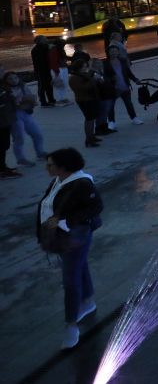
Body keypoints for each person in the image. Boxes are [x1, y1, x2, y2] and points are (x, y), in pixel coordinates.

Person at [36, 148, 104, 349]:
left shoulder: (82, 184)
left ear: (63, 167)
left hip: (74, 237)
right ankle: (88, 302)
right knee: (79, 267)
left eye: (50, 164)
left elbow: (95, 207)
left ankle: (71, 324)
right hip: (65, 236)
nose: (46, 167)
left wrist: (64, 220)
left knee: (70, 279)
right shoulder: (59, 180)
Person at [102, 46, 142, 127]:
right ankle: (111, 122)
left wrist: (135, 79)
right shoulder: (105, 63)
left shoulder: (123, 61)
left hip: (124, 87)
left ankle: (134, 118)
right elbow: (104, 76)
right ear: (108, 53)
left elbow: (128, 72)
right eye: (112, 51)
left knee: (129, 104)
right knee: (111, 106)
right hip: (113, 88)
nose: (113, 53)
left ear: (118, 52)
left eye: (115, 51)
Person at [68, 58, 102, 148]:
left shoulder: (81, 75)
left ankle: (92, 137)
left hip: (90, 98)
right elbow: (83, 88)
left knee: (91, 119)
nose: (85, 68)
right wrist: (94, 79)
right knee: (89, 119)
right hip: (84, 100)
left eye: (85, 67)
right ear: (78, 68)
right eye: (83, 67)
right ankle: (89, 139)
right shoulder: (74, 78)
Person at [1, 67, 22, 178]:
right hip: (2, 120)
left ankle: (3, 167)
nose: (2, 72)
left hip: (6, 119)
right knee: (2, 144)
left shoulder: (3, 85)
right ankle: (2, 170)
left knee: (5, 144)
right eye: (1, 71)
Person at [31, 36, 55, 108]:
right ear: (40, 41)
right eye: (44, 39)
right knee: (43, 86)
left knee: (47, 85)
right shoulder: (39, 49)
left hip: (44, 69)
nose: (46, 40)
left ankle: (50, 100)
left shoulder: (40, 48)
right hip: (41, 70)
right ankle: (44, 101)